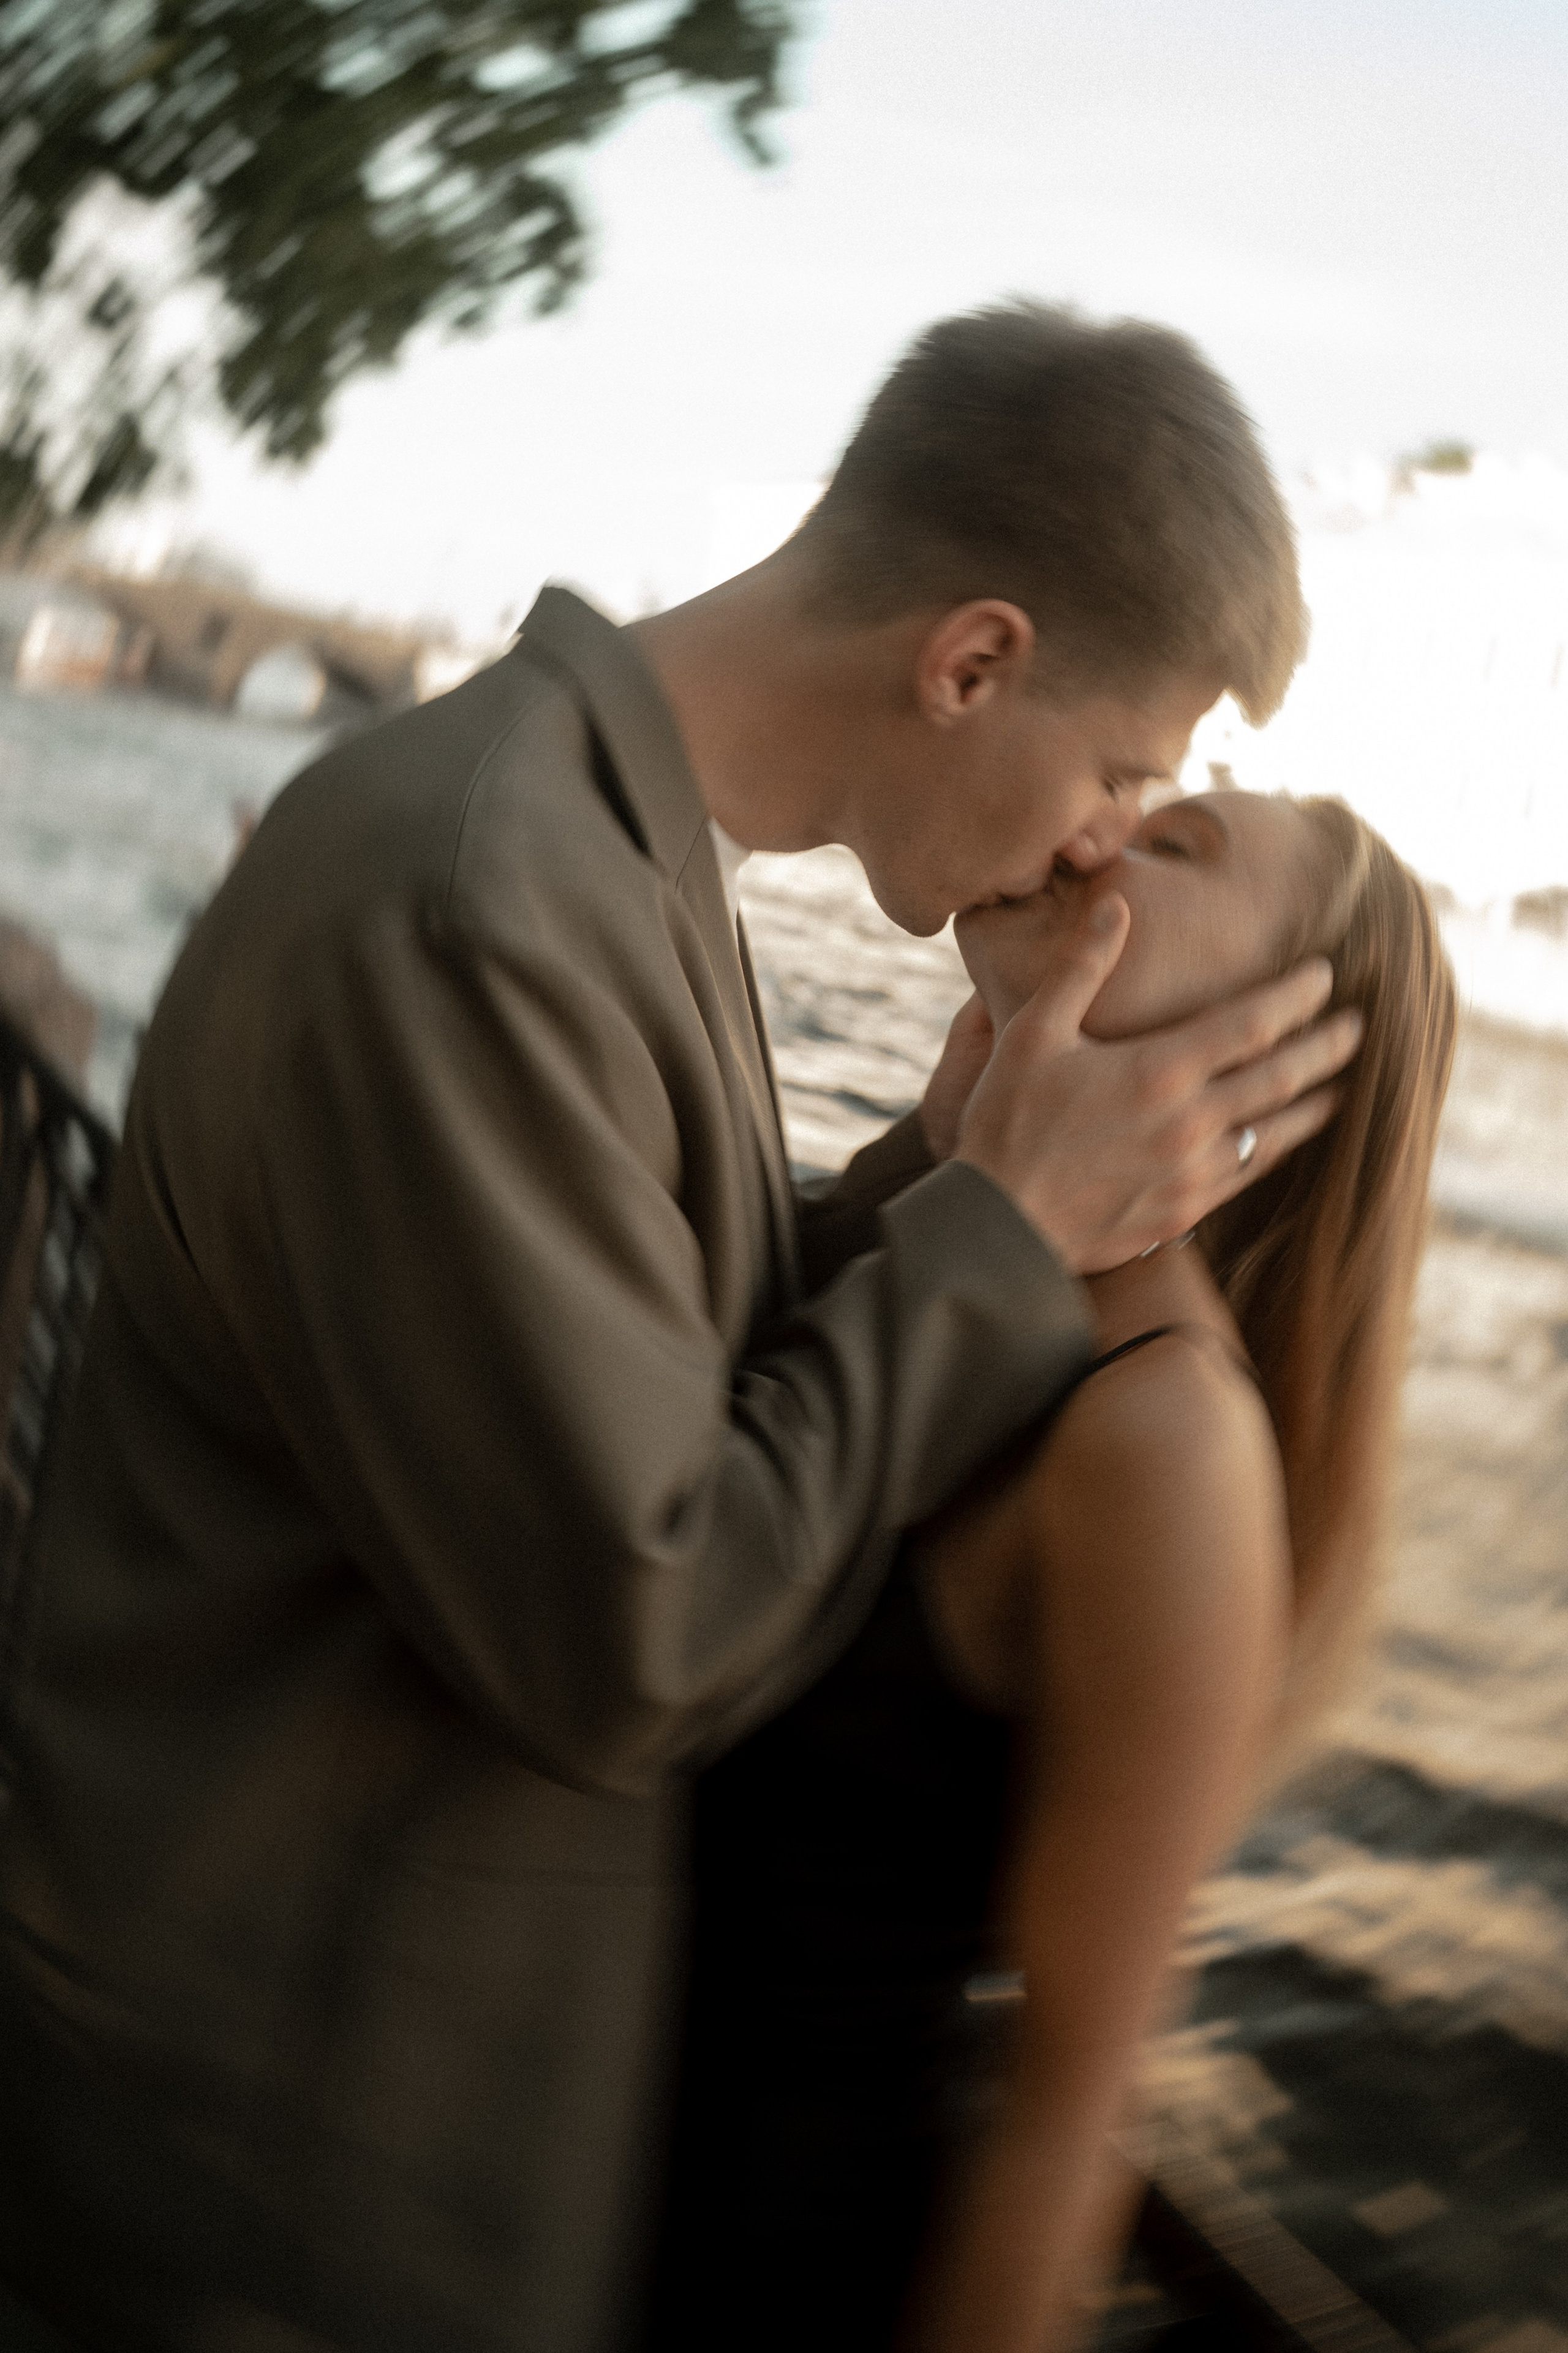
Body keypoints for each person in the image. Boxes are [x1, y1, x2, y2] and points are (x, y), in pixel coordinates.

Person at [0, 304, 1359, 2353]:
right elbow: (632, 1637)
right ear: (971, 658)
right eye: (1121, 769)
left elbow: (664, 1332)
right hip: (281, 2200)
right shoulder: (488, 903)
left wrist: (959, 1166)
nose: (1096, 837)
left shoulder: (604, 859)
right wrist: (1001, 1221)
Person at [650, 787, 1455, 2353]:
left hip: (764, 2272)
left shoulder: (1158, 1440)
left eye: (1177, 847)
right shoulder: (935, 1208)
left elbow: (1065, 2112)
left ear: (1280, 1040)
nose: (1095, 832)